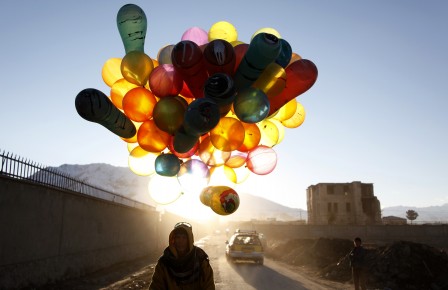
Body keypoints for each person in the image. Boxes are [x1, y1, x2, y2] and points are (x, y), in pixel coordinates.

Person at [149, 222, 215, 290]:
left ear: (189, 240)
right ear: (173, 239)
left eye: (184, 238)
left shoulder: (200, 259)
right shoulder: (164, 262)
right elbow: (156, 286)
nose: (181, 241)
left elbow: (209, 285)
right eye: (178, 237)